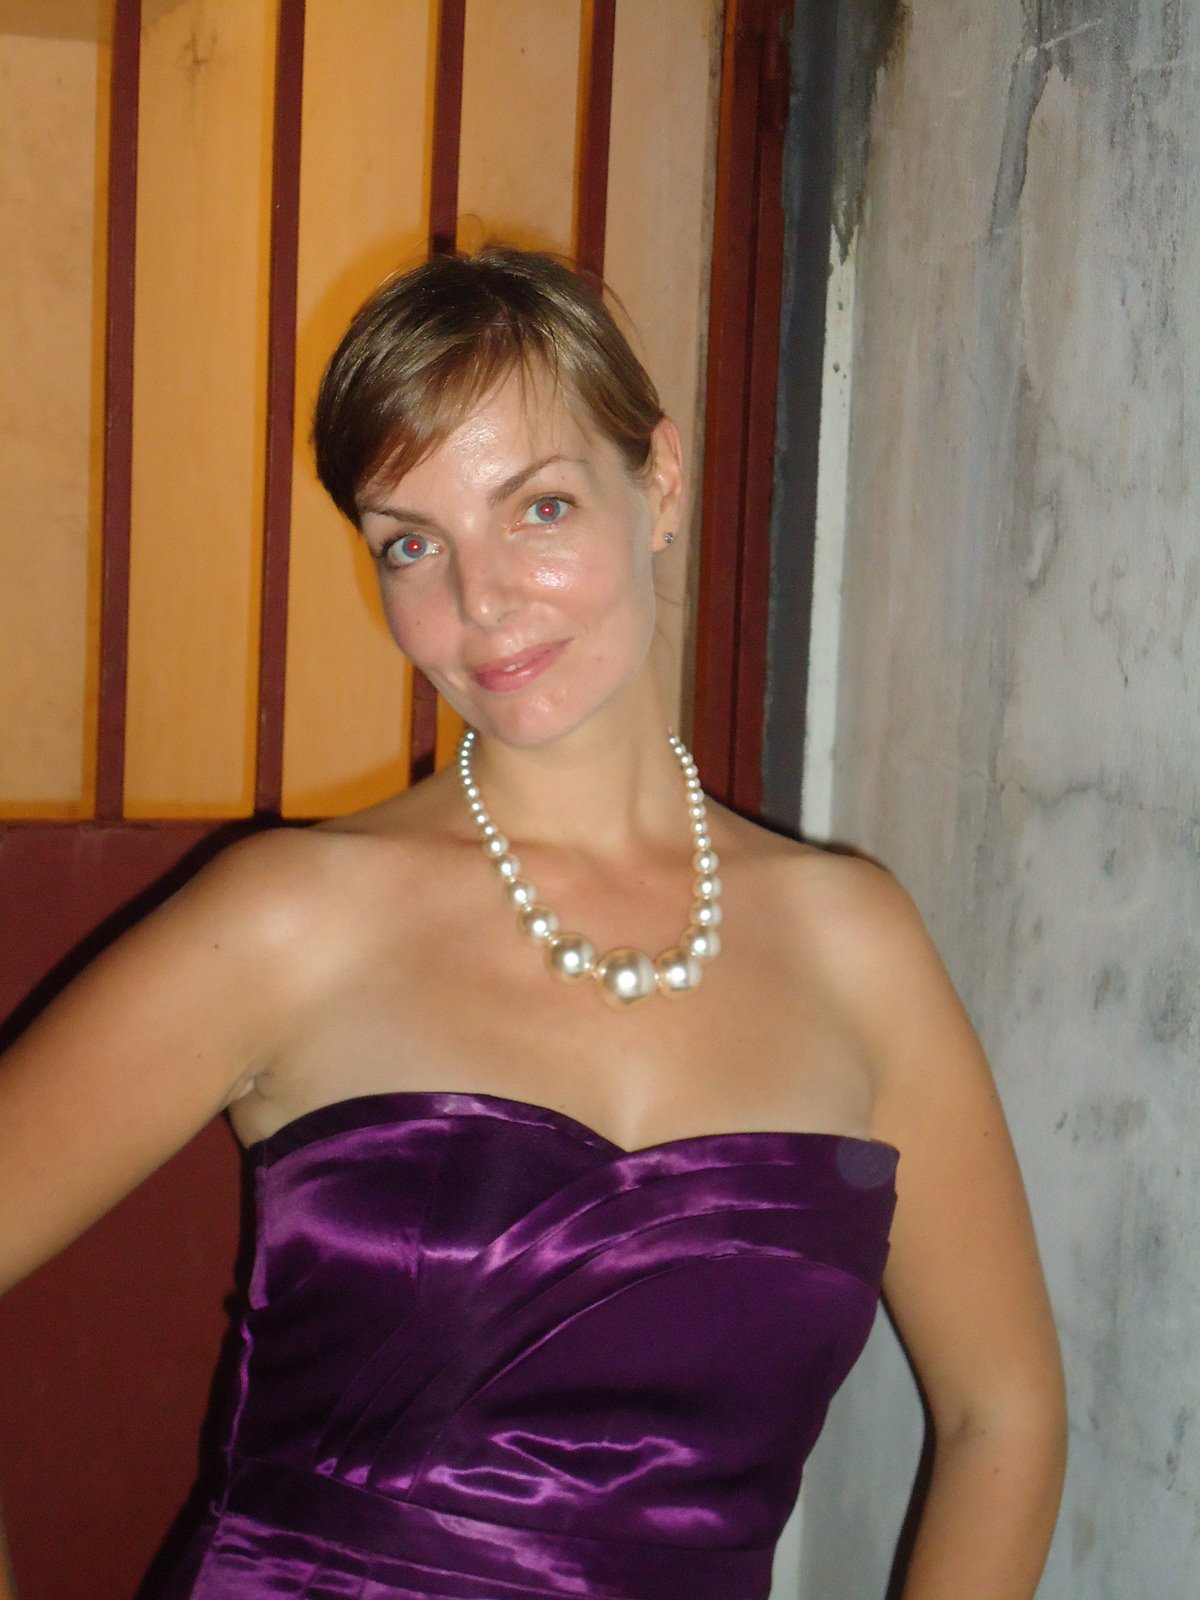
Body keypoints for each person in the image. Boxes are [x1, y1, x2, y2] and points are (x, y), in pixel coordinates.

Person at [0, 246, 1066, 1599]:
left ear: (659, 480)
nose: (480, 600)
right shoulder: (292, 919)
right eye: (411, 543)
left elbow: (1003, 1417)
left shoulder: (855, 943)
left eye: (539, 507)